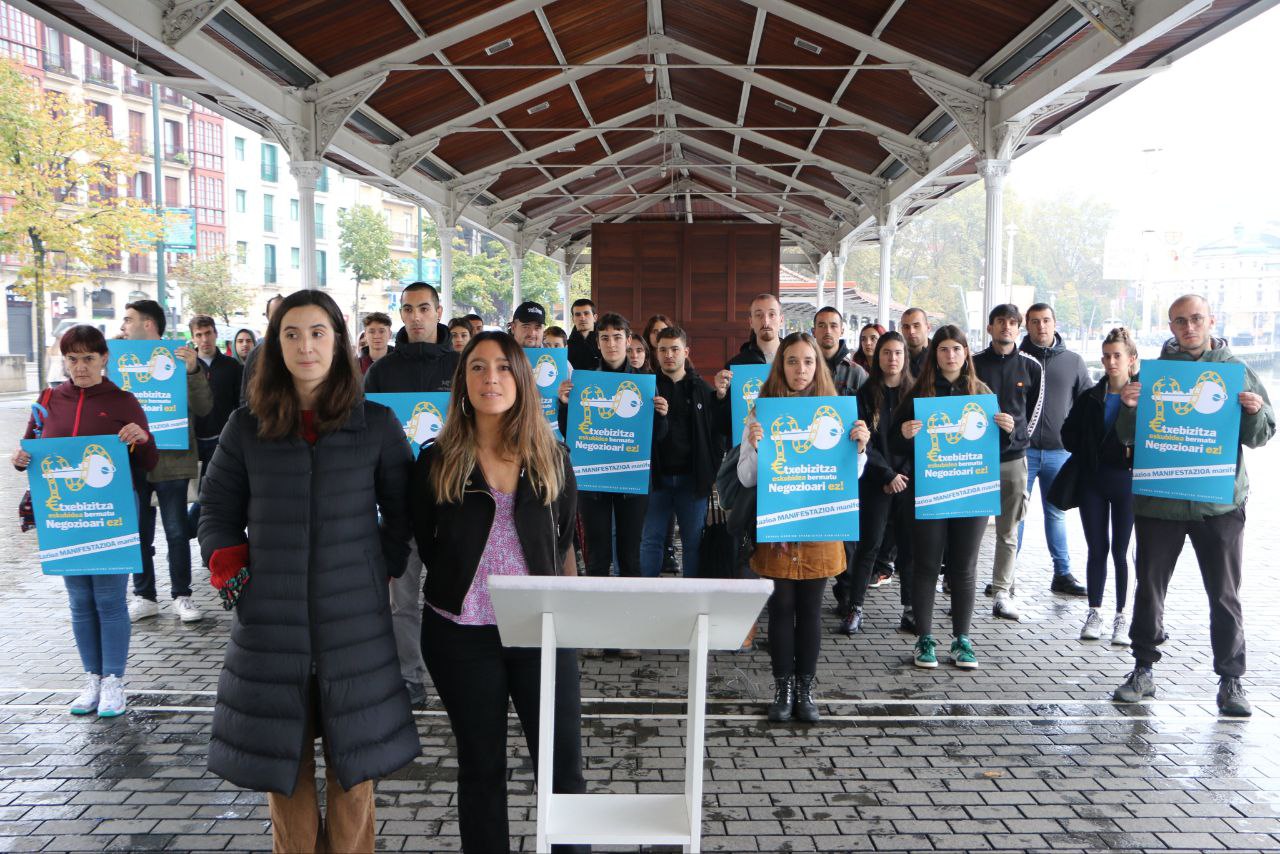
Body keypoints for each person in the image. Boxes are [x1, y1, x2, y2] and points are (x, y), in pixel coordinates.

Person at [198, 289, 418, 852]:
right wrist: (232, 572)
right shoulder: (247, 427)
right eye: (291, 334)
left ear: (339, 341)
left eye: (318, 332)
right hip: (271, 626)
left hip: (356, 626)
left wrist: (384, 565)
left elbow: (403, 510)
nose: (305, 345)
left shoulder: (377, 424)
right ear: (276, 347)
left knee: (355, 773)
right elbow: (217, 513)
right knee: (284, 771)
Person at [411, 331, 587, 854]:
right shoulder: (436, 461)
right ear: (462, 383)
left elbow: (566, 545)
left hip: (543, 633)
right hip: (462, 638)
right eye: (478, 368)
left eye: (504, 367)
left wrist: (574, 624)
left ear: (523, 378)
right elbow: (426, 542)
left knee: (561, 770)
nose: (492, 378)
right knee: (482, 768)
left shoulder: (552, 457)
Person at [1112, 295, 1274, 717]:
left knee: (1224, 595)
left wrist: (1254, 413)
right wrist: (1129, 408)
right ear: (1171, 327)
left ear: (1211, 321)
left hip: (1218, 507)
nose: (1189, 327)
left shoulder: (1235, 372)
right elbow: (1128, 440)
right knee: (1148, 590)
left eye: (1196, 319)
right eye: (1180, 321)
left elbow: (1261, 435)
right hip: (1159, 504)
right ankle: (1143, 669)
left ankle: (1231, 680)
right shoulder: (1153, 375)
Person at [13, 325, 158, 717]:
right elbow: (30, 448)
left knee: (110, 601)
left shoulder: (123, 400)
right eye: (73, 359)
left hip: (110, 516)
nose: (80, 367)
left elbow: (150, 461)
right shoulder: (48, 400)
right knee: (79, 602)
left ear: (104, 359)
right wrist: (21, 459)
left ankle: (114, 681)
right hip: (67, 518)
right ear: (64, 360)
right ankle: (91, 678)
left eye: (88, 359)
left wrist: (141, 438)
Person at [737, 332, 869, 723]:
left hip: (820, 527)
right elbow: (745, 478)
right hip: (777, 528)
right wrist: (758, 446)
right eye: (792, 361)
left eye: (808, 361)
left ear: (818, 365)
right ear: (781, 366)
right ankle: (782, 688)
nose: (800, 369)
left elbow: (851, 475)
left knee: (810, 610)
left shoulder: (837, 413)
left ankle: (805, 690)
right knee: (781, 608)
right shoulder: (762, 414)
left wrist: (861, 448)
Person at [893, 325, 1010, 670]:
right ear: (935, 354)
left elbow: (995, 449)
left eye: (956, 349)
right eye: (943, 349)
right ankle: (924, 639)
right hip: (930, 490)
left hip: (971, 492)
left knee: (964, 568)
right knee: (927, 565)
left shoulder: (981, 392)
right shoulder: (919, 394)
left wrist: (1006, 431)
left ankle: (962, 639)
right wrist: (903, 433)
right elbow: (894, 442)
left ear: (965, 353)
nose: (950, 355)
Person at [364, 282, 457, 705]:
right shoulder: (381, 371)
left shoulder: (461, 365)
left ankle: (457, 671)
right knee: (402, 599)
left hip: (451, 501)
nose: (416, 316)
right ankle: (409, 674)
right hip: (398, 503)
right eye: (407, 309)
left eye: (423, 308)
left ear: (438, 310)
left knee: (455, 596)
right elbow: (365, 436)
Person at [121, 299, 212, 624]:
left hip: (169, 458)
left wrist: (192, 370)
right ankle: (144, 596)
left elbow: (203, 408)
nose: (123, 326)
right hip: (131, 461)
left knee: (175, 530)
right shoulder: (120, 360)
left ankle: (181, 595)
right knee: (138, 533)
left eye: (128, 320)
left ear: (148, 324)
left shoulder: (180, 359)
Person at [557, 312, 668, 579]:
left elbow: (657, 437)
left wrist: (662, 415)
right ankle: (597, 619)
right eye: (605, 338)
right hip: (593, 481)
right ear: (598, 342)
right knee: (597, 557)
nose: (611, 344)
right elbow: (569, 432)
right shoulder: (584, 383)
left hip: (632, 479)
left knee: (630, 557)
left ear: (628, 340)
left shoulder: (645, 384)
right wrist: (564, 405)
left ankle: (630, 617)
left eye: (617, 337)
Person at [1059, 328, 1139, 644]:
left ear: (1132, 359)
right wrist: (1088, 448)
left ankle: (1122, 617)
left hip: (1127, 481)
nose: (1110, 362)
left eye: (1117, 355)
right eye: (1106, 356)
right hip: (1094, 479)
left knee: (1121, 550)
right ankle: (1094, 612)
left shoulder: (1145, 397)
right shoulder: (1092, 395)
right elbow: (1067, 434)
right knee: (1097, 549)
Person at [838, 331, 915, 634]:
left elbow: (923, 443)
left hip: (907, 482)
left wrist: (902, 475)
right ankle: (855, 608)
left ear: (905, 357)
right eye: (886, 353)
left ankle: (910, 610)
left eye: (897, 353)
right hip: (875, 480)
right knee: (868, 546)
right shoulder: (865, 394)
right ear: (877, 357)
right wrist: (887, 475)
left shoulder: (917, 394)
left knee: (908, 548)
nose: (892, 359)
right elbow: (864, 443)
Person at [640, 327, 730, 578]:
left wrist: (709, 470)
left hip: (692, 481)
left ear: (686, 352)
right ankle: (646, 596)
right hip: (656, 480)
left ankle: (692, 599)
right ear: (656, 354)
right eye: (663, 350)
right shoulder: (647, 389)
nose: (669, 355)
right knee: (650, 540)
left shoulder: (703, 389)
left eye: (675, 349)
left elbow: (718, 436)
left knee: (693, 543)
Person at [972, 304, 1043, 621]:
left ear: (1019, 328)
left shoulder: (1032, 366)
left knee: (1008, 531)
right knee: (966, 529)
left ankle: (1001, 592)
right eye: (1000, 322)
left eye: (1013, 323)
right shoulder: (973, 364)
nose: (1006, 327)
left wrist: (1018, 438)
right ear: (989, 328)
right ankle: (960, 585)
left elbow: (1033, 411)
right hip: (974, 460)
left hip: (1013, 460)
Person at [1018, 303, 1091, 596]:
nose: (1041, 327)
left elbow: (1088, 403)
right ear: (1027, 325)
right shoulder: (1017, 360)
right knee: (1016, 516)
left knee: (1056, 513)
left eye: (1046, 320)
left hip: (1059, 452)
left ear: (1055, 322)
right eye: (1035, 322)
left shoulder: (1073, 361)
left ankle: (1062, 574)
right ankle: (1005, 577)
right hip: (1021, 453)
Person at [186, 315, 244, 538]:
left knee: (212, 495)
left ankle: (191, 534)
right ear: (192, 338)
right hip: (193, 442)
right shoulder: (185, 367)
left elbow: (239, 402)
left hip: (221, 439)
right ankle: (190, 534)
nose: (204, 339)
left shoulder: (232, 366)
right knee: (198, 495)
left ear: (216, 334)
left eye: (208, 333)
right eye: (199, 335)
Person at [239, 293, 284, 407]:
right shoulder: (256, 354)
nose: (280, 317)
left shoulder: (301, 349)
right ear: (268, 317)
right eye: (275, 313)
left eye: (283, 312)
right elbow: (245, 396)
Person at [812, 306, 868, 394]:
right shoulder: (805, 370)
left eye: (833, 326)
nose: (828, 331)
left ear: (842, 331)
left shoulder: (856, 373)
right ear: (813, 332)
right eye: (822, 325)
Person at [726, 293, 784, 368]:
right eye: (759, 315)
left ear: (781, 320)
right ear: (751, 322)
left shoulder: (795, 359)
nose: (765, 322)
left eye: (772, 314)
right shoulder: (736, 366)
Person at [566, 298, 599, 371]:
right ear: (573, 319)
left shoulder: (605, 343)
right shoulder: (566, 346)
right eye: (578, 314)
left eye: (586, 313)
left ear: (595, 318)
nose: (582, 318)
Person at [899, 307, 931, 377]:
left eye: (916, 326)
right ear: (902, 330)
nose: (911, 331)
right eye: (906, 327)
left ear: (928, 327)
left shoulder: (939, 353)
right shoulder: (897, 355)